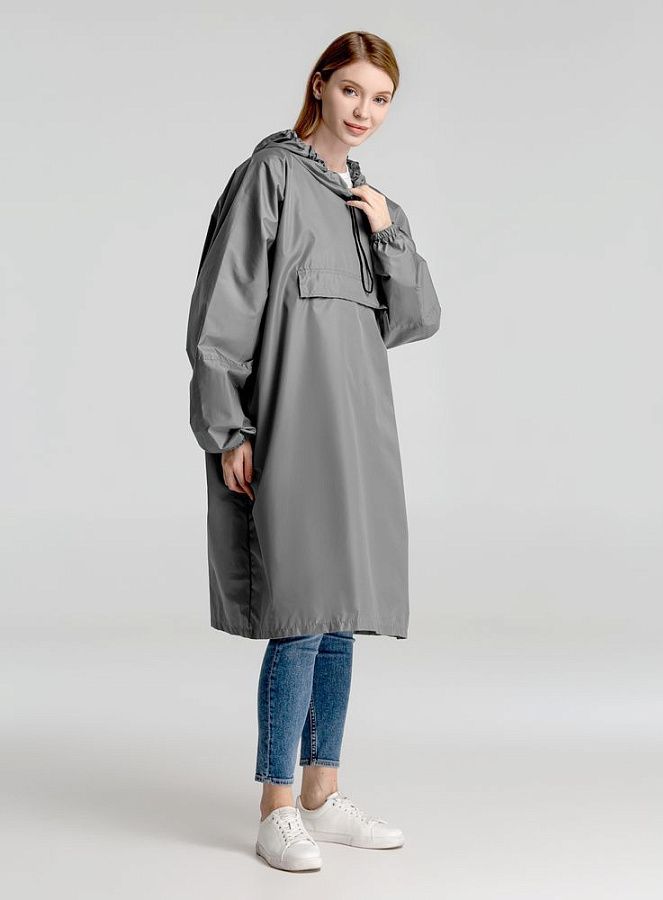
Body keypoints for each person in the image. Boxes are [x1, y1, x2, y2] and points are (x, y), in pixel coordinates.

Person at [186, 31, 441, 873]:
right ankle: (276, 806)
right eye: (352, 91)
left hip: (360, 425)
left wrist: (387, 232)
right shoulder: (270, 176)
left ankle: (323, 793)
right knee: (299, 611)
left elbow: (413, 320)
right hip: (290, 418)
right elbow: (224, 307)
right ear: (320, 86)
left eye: (381, 99)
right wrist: (229, 427)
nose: (364, 111)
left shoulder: (370, 203)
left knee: (340, 613)